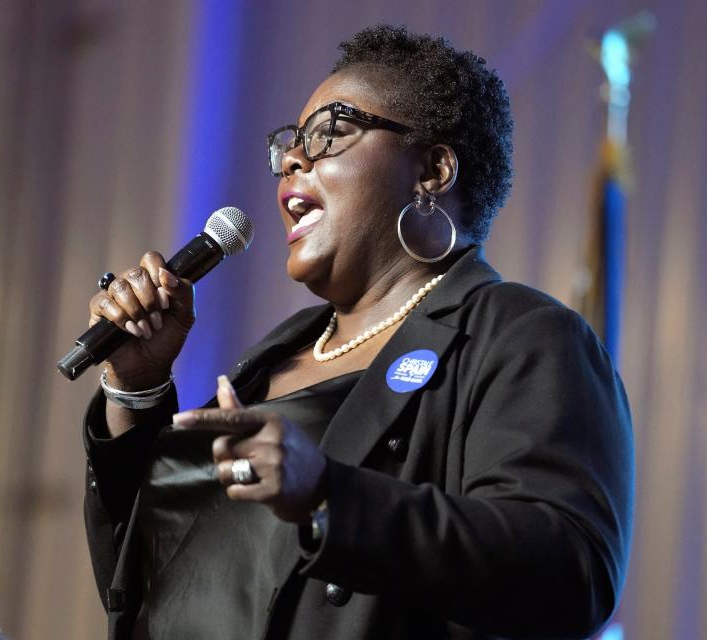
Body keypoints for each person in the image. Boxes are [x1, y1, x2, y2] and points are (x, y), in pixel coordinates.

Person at [81, 25, 634, 640]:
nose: (292, 160)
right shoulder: (271, 359)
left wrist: (328, 494)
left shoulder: (521, 337)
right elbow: (148, 577)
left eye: (331, 132)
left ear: (433, 169)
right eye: (289, 146)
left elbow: (569, 571)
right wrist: (136, 388)